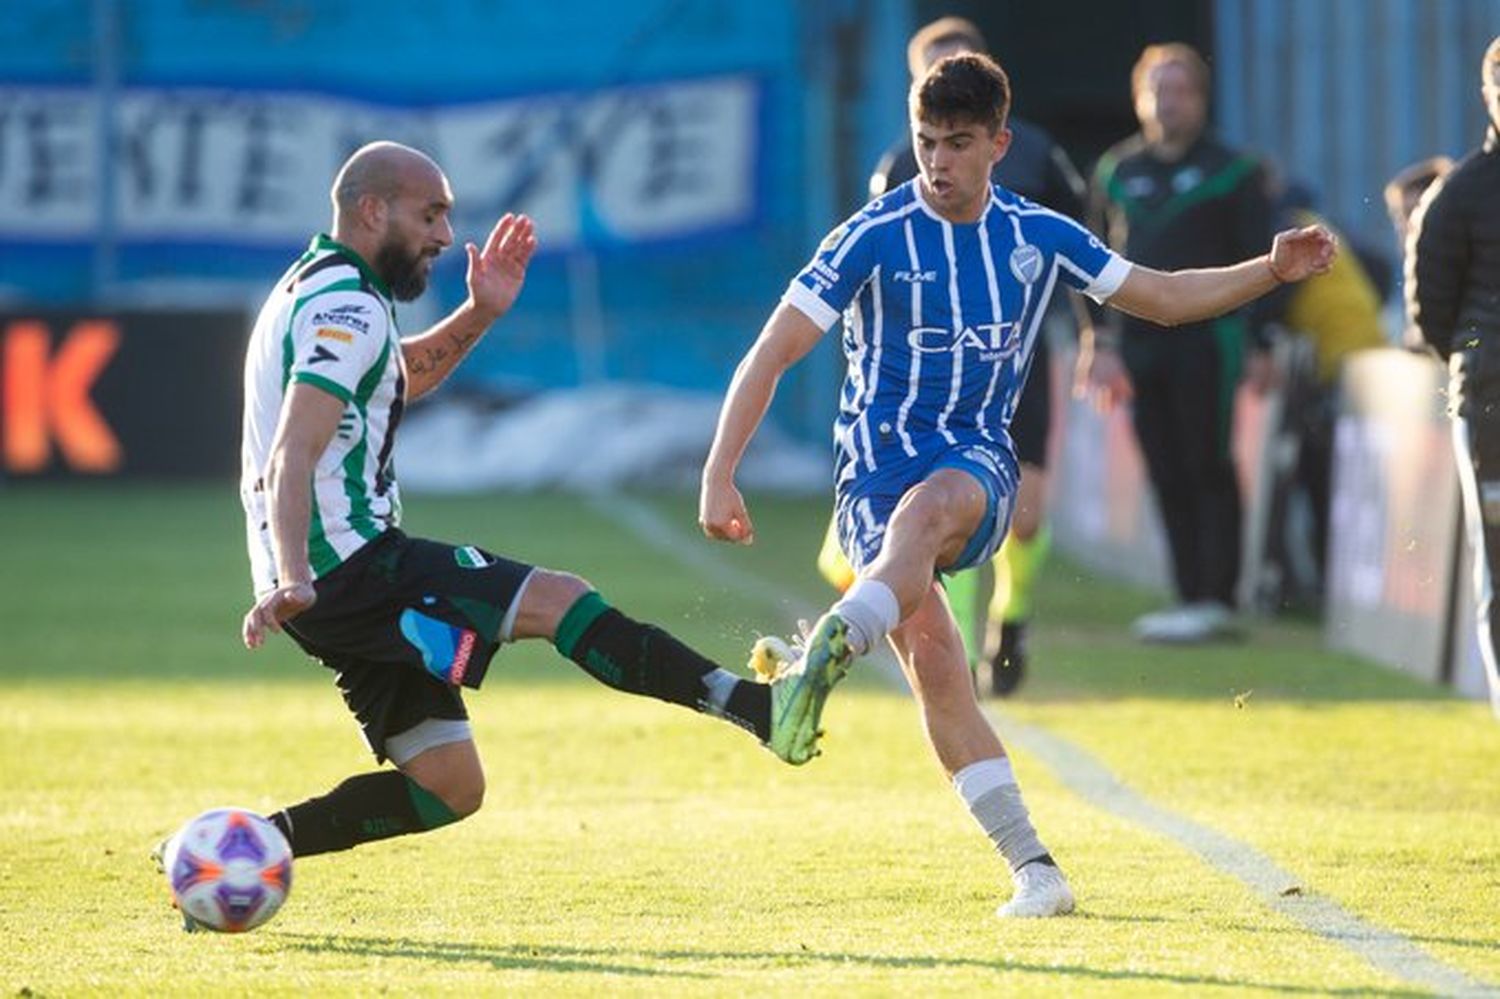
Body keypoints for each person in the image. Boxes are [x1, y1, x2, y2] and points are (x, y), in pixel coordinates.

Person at [699, 54, 1334, 918]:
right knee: (936, 667)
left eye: (959, 144)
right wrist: (718, 470)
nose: (938, 163)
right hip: (870, 485)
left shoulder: (1038, 233)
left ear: (1000, 143)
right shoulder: (870, 234)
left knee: (933, 509)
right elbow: (774, 349)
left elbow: (1163, 295)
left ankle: (825, 653)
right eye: (927, 142)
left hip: (975, 462)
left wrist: (1270, 269)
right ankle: (1036, 869)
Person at [156, 142, 812, 927]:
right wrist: (292, 576)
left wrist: (482, 312)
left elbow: (397, 375)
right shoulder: (348, 306)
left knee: (449, 785)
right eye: (430, 213)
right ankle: (757, 708)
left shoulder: (320, 289)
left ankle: (255, 844)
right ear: (374, 210)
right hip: (349, 566)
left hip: (328, 583)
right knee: (560, 601)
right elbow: (293, 448)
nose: (441, 234)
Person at [851, 15, 1099, 697]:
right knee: (931, 519)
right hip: (932, 379)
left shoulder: (1037, 155)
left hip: (1013, 360)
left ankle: (1010, 613)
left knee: (1029, 510)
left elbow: (1088, 249)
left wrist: (1095, 339)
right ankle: (954, 639)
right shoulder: (901, 167)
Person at [1088, 43, 1284, 643]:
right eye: (1157, 90)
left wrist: (1262, 340)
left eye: (1179, 91)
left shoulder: (1235, 169)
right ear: (1139, 98)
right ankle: (1186, 596)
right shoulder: (1117, 171)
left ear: (1199, 98)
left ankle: (1218, 597)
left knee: (1209, 461)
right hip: (1140, 341)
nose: (1167, 103)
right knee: (1165, 465)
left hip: (1212, 340)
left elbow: (1267, 260)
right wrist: (1102, 341)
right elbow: (1092, 263)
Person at [1407, 36, 1500, 720]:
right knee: (1497, 565)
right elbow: (1432, 312)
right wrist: (1478, 360)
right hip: (1492, 404)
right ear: (1486, 92)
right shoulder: (1459, 192)